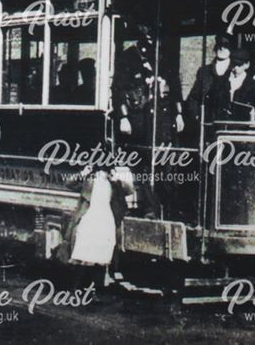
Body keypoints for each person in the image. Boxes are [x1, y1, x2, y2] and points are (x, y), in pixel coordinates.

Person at [111, 17, 184, 145]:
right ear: (139, 29)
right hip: (139, 120)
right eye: (144, 27)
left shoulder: (166, 57)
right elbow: (118, 89)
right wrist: (123, 117)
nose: (149, 32)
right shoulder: (129, 56)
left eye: (153, 28)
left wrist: (179, 114)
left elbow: (175, 88)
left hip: (164, 120)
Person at [56, 164, 127, 292]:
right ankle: (78, 289)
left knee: (99, 257)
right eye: (99, 171)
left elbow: (127, 192)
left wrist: (118, 181)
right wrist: (83, 173)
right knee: (84, 255)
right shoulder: (88, 182)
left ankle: (93, 290)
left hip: (105, 221)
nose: (101, 174)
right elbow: (68, 183)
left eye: (104, 171)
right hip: (89, 219)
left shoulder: (113, 184)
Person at [185, 34, 232, 126]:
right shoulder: (205, 71)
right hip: (208, 122)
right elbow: (193, 97)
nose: (221, 48)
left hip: (229, 123)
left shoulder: (235, 69)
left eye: (226, 46)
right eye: (219, 44)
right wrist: (197, 116)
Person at [211, 48, 255, 121]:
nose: (236, 68)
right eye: (233, 64)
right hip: (221, 126)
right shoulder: (220, 82)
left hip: (243, 127)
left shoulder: (254, 85)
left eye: (239, 65)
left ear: (247, 65)